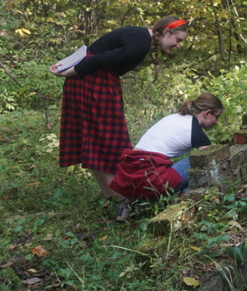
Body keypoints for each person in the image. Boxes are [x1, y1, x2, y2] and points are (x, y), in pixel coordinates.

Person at [49, 16, 188, 202]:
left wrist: (71, 70)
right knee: (106, 141)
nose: (178, 45)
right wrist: (72, 70)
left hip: (87, 81)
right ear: (166, 32)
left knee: (92, 138)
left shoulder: (139, 37)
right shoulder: (140, 41)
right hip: (93, 83)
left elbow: (95, 55)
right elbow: (99, 59)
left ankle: (110, 196)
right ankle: (122, 199)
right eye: (178, 40)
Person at [109, 93, 224, 221]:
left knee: (149, 165)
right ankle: (181, 204)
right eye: (217, 117)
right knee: (199, 161)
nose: (217, 122)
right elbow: (210, 159)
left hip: (127, 181)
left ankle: (125, 208)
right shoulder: (195, 130)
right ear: (207, 113)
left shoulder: (173, 118)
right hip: (149, 183)